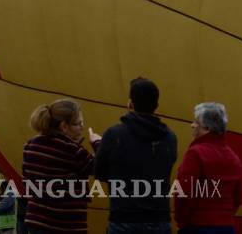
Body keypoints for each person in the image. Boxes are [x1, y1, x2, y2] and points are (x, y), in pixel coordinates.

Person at [93, 78, 177, 234]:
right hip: (159, 219)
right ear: (156, 106)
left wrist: (98, 146)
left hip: (124, 218)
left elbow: (100, 173)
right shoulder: (170, 138)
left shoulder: (114, 134)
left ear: (130, 104)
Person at [22, 99, 98, 234]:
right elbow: (98, 167)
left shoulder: (30, 146)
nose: (82, 126)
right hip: (66, 224)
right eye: (78, 123)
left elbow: (26, 178)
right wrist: (98, 144)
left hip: (37, 221)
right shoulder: (71, 150)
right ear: (64, 126)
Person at [175, 101, 242, 234]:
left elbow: (184, 190)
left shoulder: (195, 153)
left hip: (198, 225)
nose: (192, 125)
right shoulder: (233, 158)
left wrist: (181, 221)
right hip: (226, 227)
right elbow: (237, 195)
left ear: (206, 127)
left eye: (196, 122)